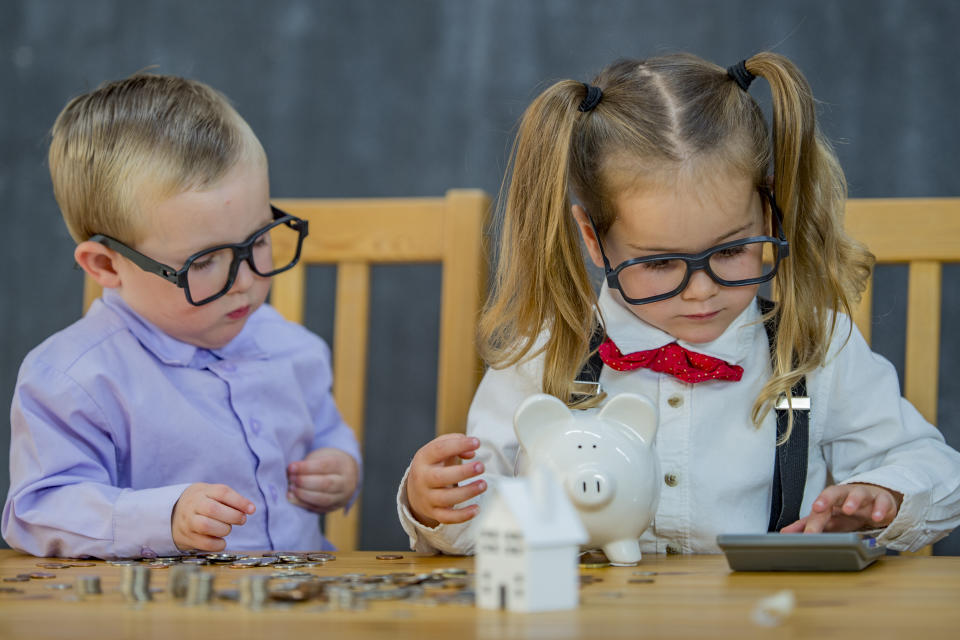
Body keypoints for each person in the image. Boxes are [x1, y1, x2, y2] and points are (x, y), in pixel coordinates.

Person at [397, 52, 960, 555]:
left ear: (768, 212)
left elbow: (938, 471)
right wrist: (435, 505)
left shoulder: (818, 345)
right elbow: (476, 511)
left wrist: (882, 494)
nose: (701, 290)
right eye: (661, 263)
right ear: (593, 238)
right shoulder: (543, 352)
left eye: (734, 250)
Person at [2, 74, 361, 559]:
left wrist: (339, 465)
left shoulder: (293, 348)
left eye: (257, 240)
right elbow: (39, 510)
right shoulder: (74, 379)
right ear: (107, 266)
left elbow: (324, 430)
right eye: (204, 262)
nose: (245, 280)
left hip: (301, 607)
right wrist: (163, 517)